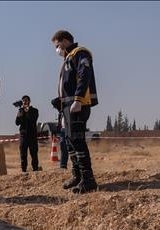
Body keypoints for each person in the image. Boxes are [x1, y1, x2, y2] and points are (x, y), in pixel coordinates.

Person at [52, 30, 99, 193]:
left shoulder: (80, 53)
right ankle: (77, 175)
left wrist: (78, 99)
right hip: (67, 107)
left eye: (57, 45)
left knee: (78, 141)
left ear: (65, 41)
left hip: (78, 105)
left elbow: (83, 75)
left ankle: (88, 179)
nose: (56, 49)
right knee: (70, 141)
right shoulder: (69, 58)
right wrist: (61, 101)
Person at [16, 95, 40, 172]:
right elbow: (17, 123)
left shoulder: (35, 110)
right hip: (23, 135)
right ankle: (23, 170)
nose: (24, 102)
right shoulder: (20, 111)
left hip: (32, 135)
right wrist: (20, 113)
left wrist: (27, 111)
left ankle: (35, 169)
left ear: (29, 101)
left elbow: (33, 120)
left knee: (34, 153)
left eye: (26, 100)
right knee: (23, 153)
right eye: (23, 101)